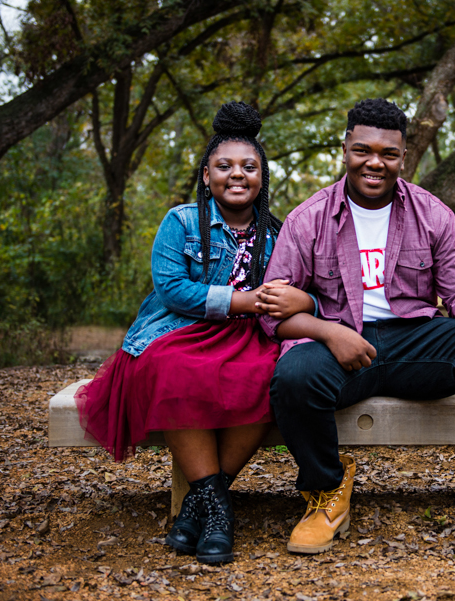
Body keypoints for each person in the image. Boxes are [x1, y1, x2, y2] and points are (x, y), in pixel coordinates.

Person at [258, 98, 455, 567]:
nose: (375, 162)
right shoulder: (307, 218)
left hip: (416, 341)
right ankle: (326, 491)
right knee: (293, 377)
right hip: (342, 344)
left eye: (388, 153)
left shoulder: (432, 214)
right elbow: (272, 313)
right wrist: (331, 333)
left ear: (403, 157)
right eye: (363, 150)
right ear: (345, 149)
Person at [75, 102, 314, 564]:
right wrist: (243, 299)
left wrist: (298, 301)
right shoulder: (181, 221)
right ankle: (218, 506)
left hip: (248, 336)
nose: (237, 175)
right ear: (207, 176)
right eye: (224, 166)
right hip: (181, 330)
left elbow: (300, 286)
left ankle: (201, 502)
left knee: (272, 374)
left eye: (250, 167)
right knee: (176, 369)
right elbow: (171, 289)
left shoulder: (278, 233)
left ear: (263, 178)